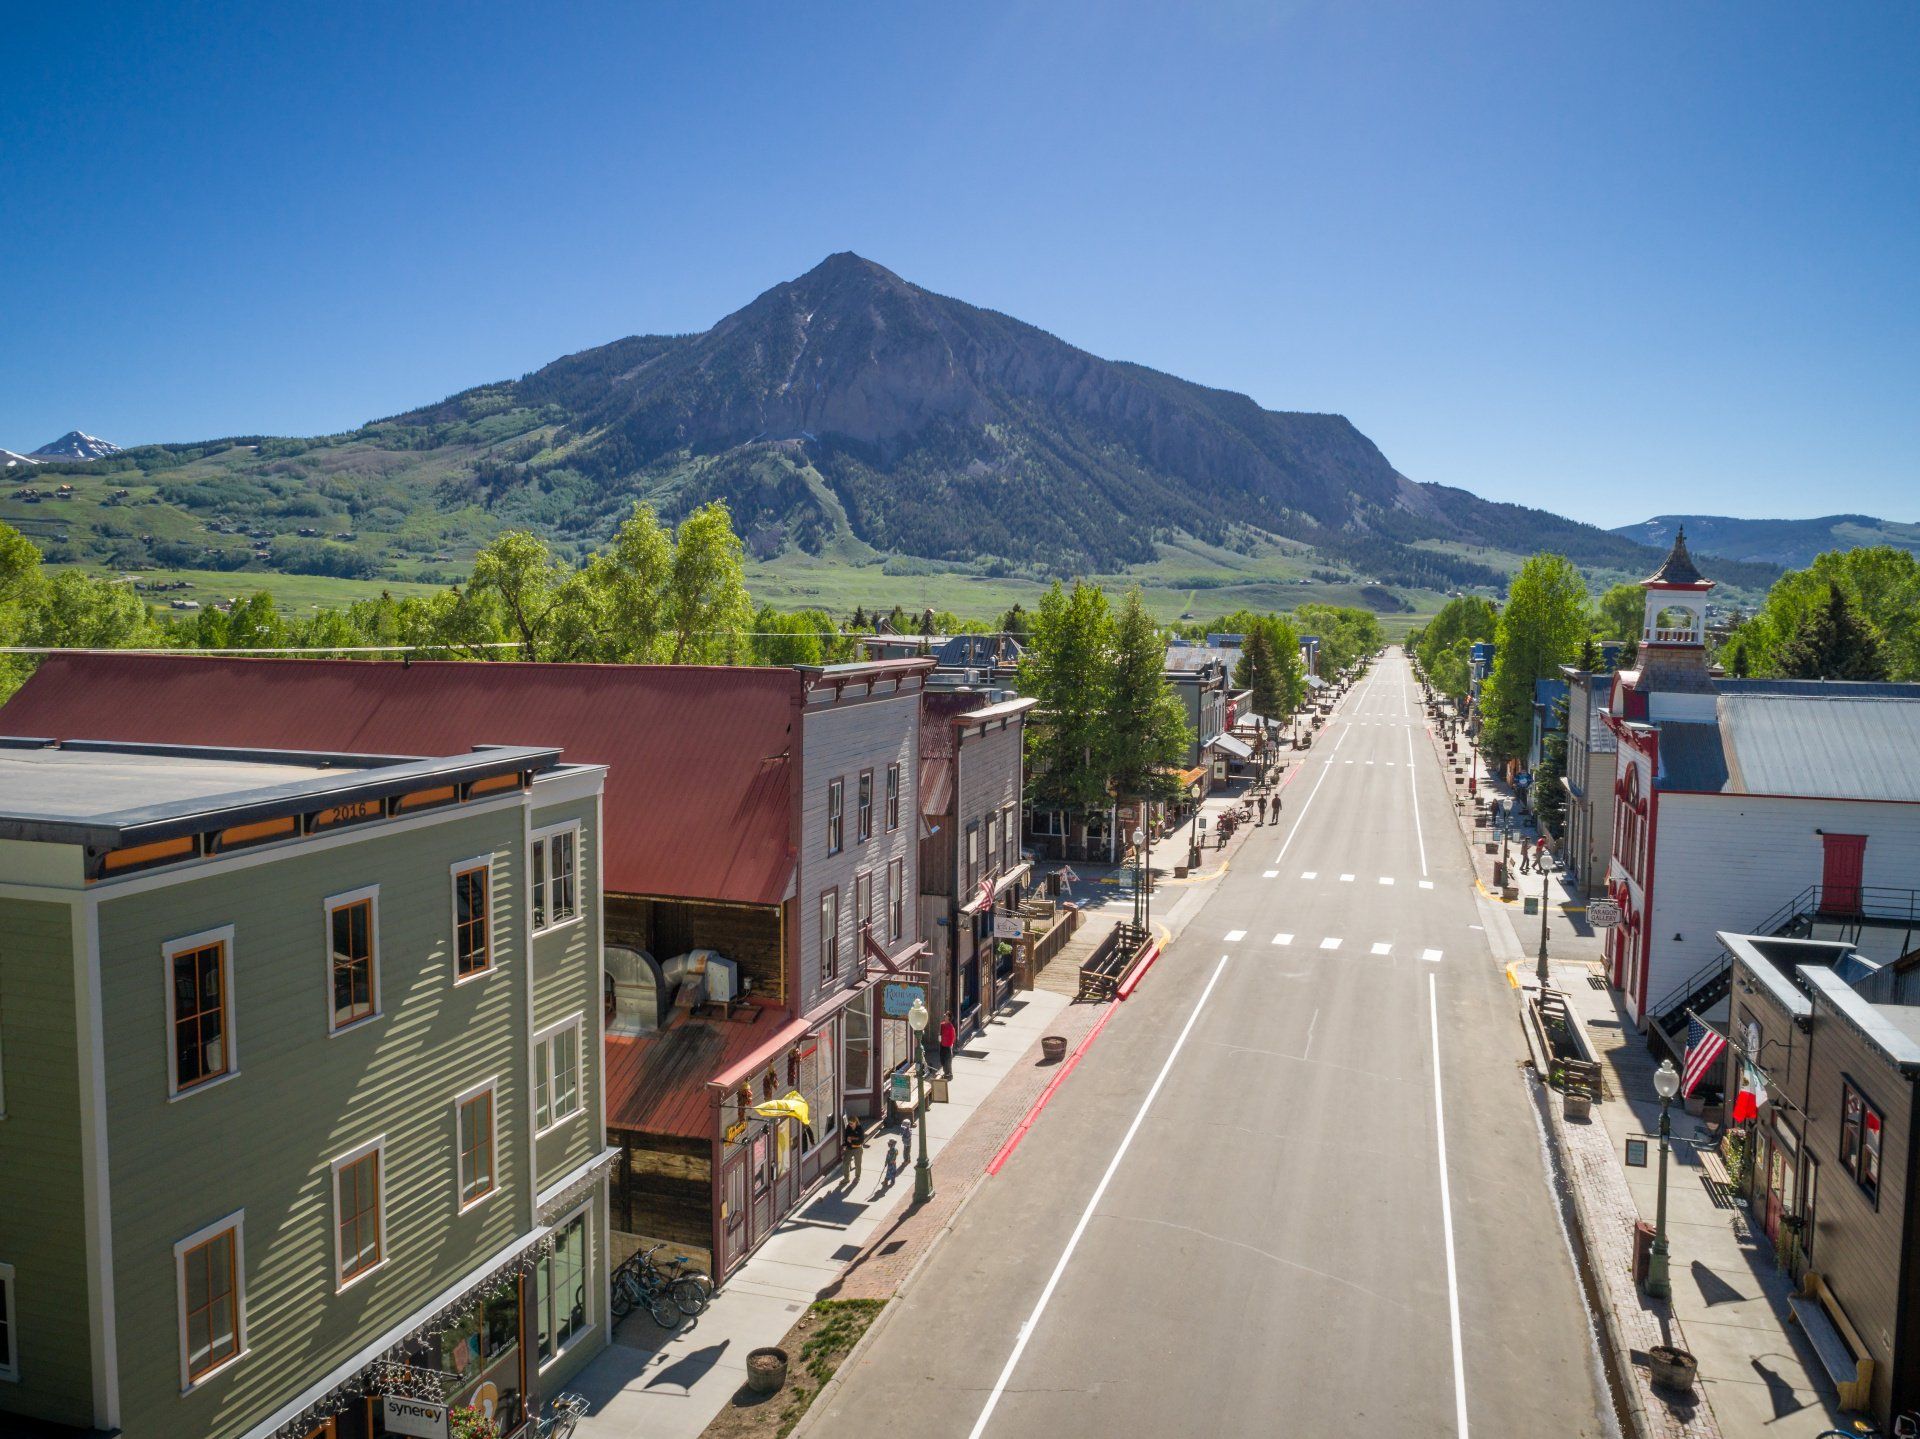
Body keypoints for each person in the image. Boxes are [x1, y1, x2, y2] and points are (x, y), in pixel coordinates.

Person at [843, 1114, 867, 1187]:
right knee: (845, 1163)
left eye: (851, 1123)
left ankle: (857, 1177)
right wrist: (846, 1143)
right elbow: (846, 1137)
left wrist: (852, 1140)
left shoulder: (860, 1129)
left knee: (857, 1164)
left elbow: (861, 1140)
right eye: (849, 1123)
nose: (850, 1125)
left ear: (856, 1122)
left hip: (857, 1149)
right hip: (849, 1148)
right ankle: (846, 1178)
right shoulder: (848, 1127)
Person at [938, 1012, 957, 1079]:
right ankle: (945, 1072)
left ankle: (949, 1074)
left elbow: (953, 1037)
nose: (944, 1016)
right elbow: (940, 1033)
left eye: (946, 1015)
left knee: (948, 1060)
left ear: (949, 1017)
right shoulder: (942, 1024)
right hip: (942, 1044)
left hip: (948, 1046)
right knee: (942, 1059)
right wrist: (940, 1039)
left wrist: (950, 1045)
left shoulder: (951, 1027)